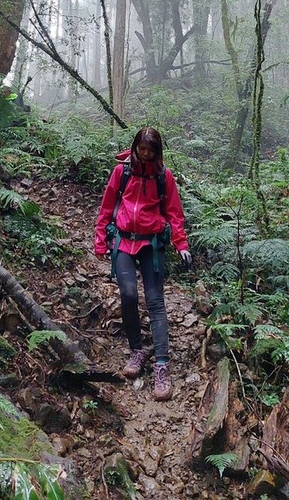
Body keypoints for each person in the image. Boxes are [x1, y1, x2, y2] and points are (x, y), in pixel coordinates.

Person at [94, 127, 191, 401]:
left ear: (157, 151)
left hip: (152, 244)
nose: (146, 154)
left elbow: (174, 213)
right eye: (142, 149)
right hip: (124, 240)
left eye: (151, 150)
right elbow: (106, 207)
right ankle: (137, 351)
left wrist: (181, 244)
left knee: (155, 300)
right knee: (128, 294)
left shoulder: (163, 176)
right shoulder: (121, 172)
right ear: (135, 147)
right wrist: (100, 240)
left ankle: (161, 364)